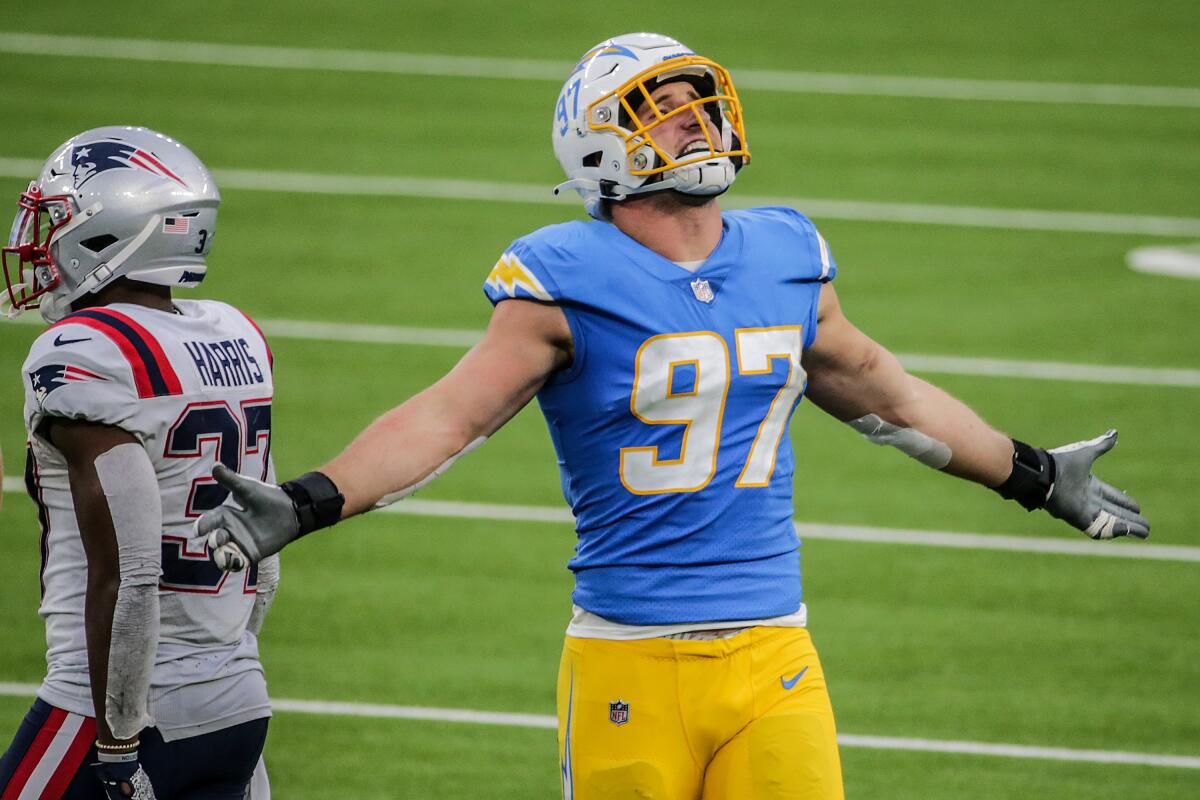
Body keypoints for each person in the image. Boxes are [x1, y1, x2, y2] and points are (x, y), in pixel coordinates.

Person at [196, 33, 1149, 800]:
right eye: (665, 110)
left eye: (699, 104)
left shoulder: (785, 252)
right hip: (630, 663)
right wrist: (315, 498)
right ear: (600, 141)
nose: (695, 123)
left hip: (776, 648)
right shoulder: (561, 274)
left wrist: (1031, 474)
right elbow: (451, 415)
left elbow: (883, 389)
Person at [0, 126, 279, 799]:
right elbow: (266, 544)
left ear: (113, 232)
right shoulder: (234, 335)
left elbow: (128, 573)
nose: (40, 240)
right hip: (237, 697)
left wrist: (119, 746)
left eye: (58, 220)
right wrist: (229, 668)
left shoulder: (88, 351)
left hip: (117, 706)